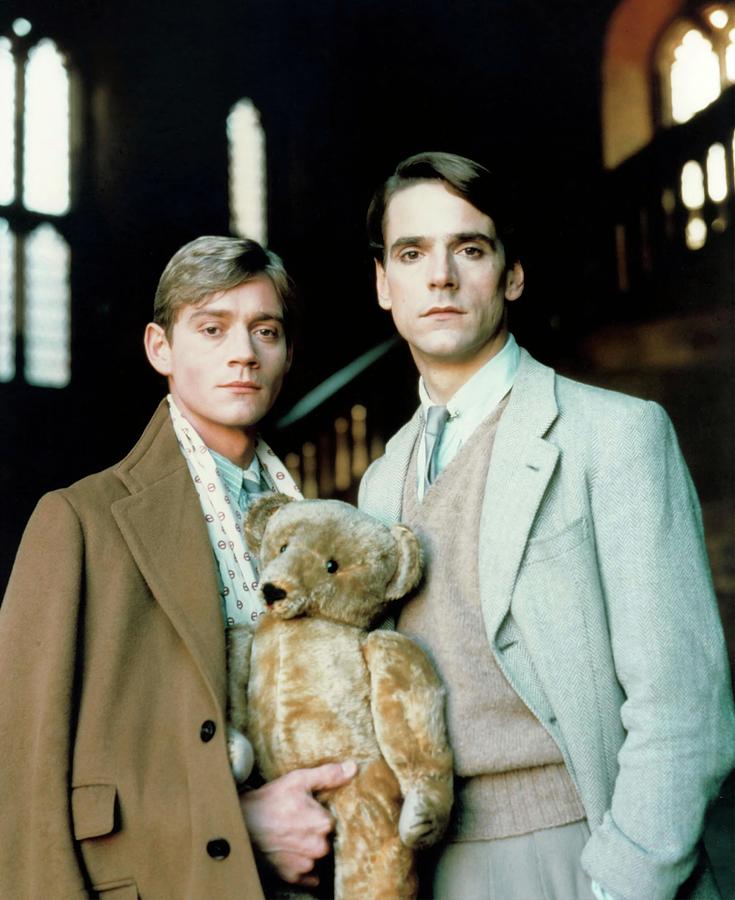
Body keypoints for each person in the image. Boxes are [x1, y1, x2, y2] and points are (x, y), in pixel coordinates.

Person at [358, 152, 735, 900]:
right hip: (427, 866)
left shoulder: (614, 436)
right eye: (412, 253)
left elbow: (683, 704)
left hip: (581, 849)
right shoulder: (378, 482)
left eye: (469, 249)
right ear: (383, 284)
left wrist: (621, 884)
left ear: (512, 275)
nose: (440, 277)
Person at [0, 236, 355, 899]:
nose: (243, 352)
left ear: (286, 354)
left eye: (265, 331)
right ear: (159, 348)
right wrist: (239, 825)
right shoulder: (80, 521)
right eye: (212, 329)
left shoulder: (325, 530)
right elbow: (24, 783)